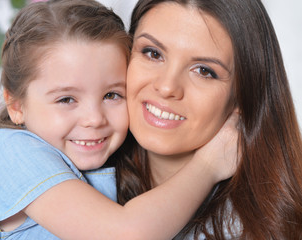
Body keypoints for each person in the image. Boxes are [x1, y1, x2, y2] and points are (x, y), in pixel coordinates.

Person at [0, 0, 239, 239]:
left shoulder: (112, 166)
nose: (94, 119)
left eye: (111, 95)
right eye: (66, 99)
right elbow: (126, 234)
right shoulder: (9, 151)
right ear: (16, 104)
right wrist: (209, 164)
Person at [116, 0, 302, 239]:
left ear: (242, 97)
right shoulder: (68, 170)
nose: (167, 87)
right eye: (153, 53)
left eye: (204, 71)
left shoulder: (259, 228)